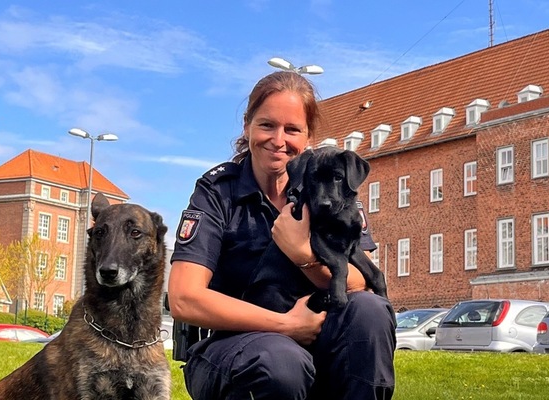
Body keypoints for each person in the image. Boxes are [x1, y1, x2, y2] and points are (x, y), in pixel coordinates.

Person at [168, 70, 396, 400]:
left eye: (292, 129)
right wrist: (286, 325)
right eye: (266, 125)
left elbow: (362, 279)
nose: (278, 140)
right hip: (236, 345)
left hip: (320, 330)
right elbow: (183, 298)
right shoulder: (218, 193)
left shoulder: (330, 188)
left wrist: (304, 255)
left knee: (370, 313)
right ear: (247, 127)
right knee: (280, 363)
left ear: (307, 136)